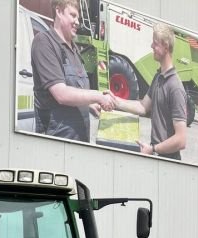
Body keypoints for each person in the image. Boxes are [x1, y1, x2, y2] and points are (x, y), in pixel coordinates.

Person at [31, 0, 114, 143]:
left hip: (79, 139)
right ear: (58, 11)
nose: (77, 22)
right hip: (56, 140)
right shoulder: (45, 42)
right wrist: (98, 96)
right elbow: (61, 94)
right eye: (73, 15)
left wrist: (88, 104)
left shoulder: (74, 49)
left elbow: (75, 88)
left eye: (79, 18)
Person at [111, 23, 188, 160]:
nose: (152, 46)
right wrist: (114, 101)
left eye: (155, 43)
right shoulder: (158, 77)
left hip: (169, 160)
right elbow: (143, 106)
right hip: (157, 155)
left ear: (165, 46)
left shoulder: (175, 87)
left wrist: (153, 149)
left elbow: (181, 139)